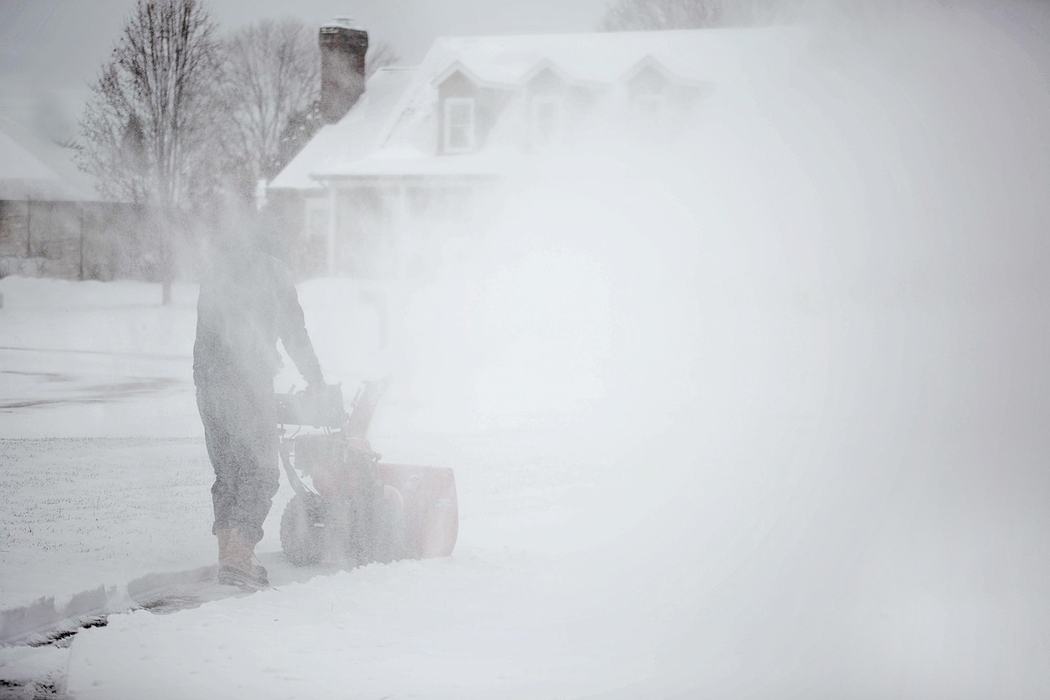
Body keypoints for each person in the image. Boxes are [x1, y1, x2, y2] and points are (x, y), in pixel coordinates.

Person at [193, 227, 324, 589]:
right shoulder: (274, 274)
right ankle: (239, 558)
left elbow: (213, 335)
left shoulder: (216, 273)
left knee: (229, 472)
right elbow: (294, 333)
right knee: (261, 471)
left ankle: (229, 553)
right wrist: (316, 379)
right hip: (247, 385)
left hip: (206, 385)